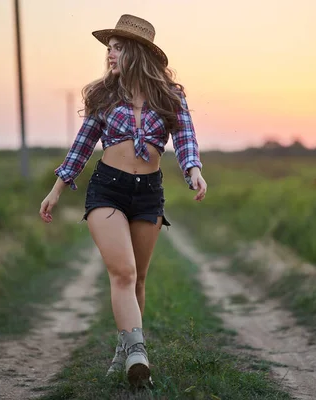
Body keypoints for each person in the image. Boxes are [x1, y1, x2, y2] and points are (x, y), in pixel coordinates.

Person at [39, 14, 207, 386]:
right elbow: (82, 145)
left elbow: (185, 139)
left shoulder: (170, 96)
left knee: (139, 279)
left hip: (148, 193)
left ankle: (125, 351)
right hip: (108, 189)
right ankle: (137, 353)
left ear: (136, 52)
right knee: (123, 273)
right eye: (109, 49)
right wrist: (56, 189)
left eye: (117, 48)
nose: (110, 55)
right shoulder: (102, 96)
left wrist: (193, 170)